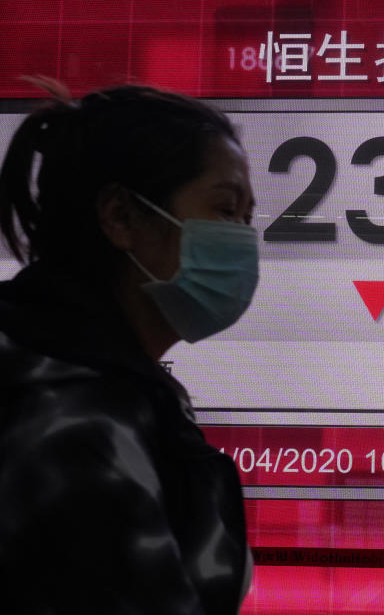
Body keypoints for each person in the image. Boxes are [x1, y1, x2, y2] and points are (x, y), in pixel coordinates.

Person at [0, 79, 258, 614]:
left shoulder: (69, 366)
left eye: (247, 218)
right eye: (225, 210)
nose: (244, 241)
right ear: (120, 216)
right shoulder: (75, 423)